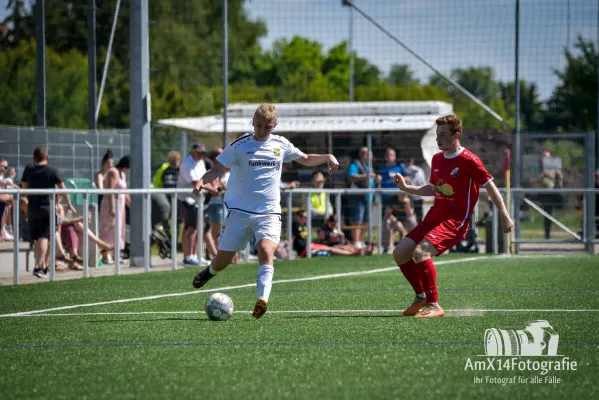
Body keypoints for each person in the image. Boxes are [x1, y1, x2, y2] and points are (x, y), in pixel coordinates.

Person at [190, 103, 339, 319]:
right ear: (253, 122)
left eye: (266, 127)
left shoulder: (281, 144)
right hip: (239, 212)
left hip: (269, 212)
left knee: (267, 250)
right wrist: (200, 182)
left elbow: (305, 159)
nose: (261, 130)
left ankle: (262, 299)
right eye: (258, 125)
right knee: (223, 261)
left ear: (274, 126)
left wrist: (328, 156)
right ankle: (209, 272)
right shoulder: (240, 145)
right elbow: (217, 169)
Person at [392, 115, 513, 318]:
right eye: (437, 135)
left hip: (455, 221)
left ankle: (434, 304)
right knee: (400, 253)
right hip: (434, 216)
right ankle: (421, 296)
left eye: (443, 135)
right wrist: (406, 187)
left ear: (456, 135)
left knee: (421, 252)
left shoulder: (470, 160)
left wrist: (505, 215)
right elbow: (433, 188)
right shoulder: (437, 159)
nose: (438, 140)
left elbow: (491, 188)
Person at [20, 147, 77, 278]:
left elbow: (23, 184)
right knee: (44, 237)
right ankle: (38, 266)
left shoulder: (29, 168)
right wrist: (69, 205)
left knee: (37, 239)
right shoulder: (52, 170)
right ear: (47, 157)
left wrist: (29, 195)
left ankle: (44, 266)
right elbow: (63, 188)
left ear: (33, 158)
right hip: (47, 208)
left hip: (32, 209)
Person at [176, 143, 217, 266]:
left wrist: (213, 186)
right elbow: (196, 182)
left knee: (196, 228)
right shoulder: (187, 164)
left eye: (203, 153)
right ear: (193, 151)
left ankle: (194, 255)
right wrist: (212, 189)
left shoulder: (201, 162)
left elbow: (205, 178)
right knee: (191, 228)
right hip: (187, 200)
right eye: (199, 152)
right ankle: (188, 256)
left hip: (198, 200)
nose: (202, 155)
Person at [347, 146, 382, 246]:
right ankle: (356, 241)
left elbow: (371, 179)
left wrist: (376, 179)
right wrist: (365, 176)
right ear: (364, 155)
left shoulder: (369, 166)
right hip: (357, 197)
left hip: (368, 197)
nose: (372, 157)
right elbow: (351, 177)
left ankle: (361, 241)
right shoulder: (355, 164)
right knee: (357, 219)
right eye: (370, 154)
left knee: (365, 220)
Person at [99, 155, 131, 265]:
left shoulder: (123, 174)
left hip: (121, 206)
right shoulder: (114, 172)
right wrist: (112, 208)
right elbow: (111, 191)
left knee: (119, 230)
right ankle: (105, 256)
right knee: (108, 230)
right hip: (110, 205)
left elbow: (125, 192)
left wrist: (130, 205)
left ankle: (117, 255)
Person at [536, 150, 563, 239]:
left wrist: (559, 185)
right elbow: (534, 179)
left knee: (549, 213)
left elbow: (560, 178)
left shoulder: (554, 168)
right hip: (539, 193)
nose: (545, 159)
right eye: (544, 157)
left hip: (550, 194)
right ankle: (546, 233)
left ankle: (549, 232)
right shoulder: (538, 168)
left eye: (547, 157)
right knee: (542, 212)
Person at [404, 158, 427, 223]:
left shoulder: (409, 169)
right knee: (419, 215)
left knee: (413, 215)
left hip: (413, 195)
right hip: (420, 195)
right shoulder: (420, 169)